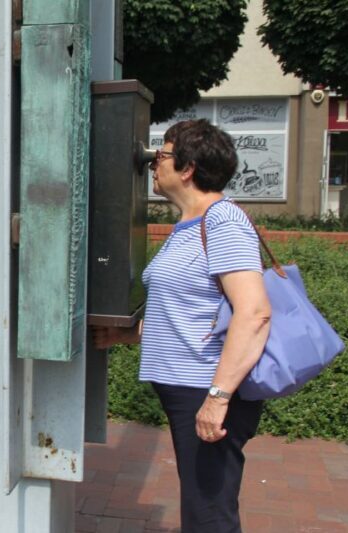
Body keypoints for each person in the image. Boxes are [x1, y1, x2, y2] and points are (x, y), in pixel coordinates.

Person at [93, 119, 271, 532]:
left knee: (209, 513)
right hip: (188, 390)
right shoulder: (190, 225)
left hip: (206, 389)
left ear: (188, 167)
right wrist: (129, 335)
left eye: (163, 154)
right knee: (202, 505)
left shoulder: (223, 222)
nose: (154, 163)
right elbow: (190, 312)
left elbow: (254, 313)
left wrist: (218, 396)